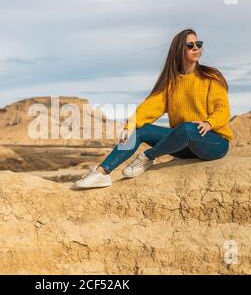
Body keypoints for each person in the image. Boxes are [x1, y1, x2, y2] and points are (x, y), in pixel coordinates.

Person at [74, 28, 233, 188]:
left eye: (198, 44)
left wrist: (209, 123)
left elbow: (223, 110)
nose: (196, 48)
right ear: (179, 50)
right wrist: (129, 127)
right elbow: (148, 108)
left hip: (214, 143)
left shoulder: (211, 77)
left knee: (187, 128)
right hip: (185, 146)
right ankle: (102, 172)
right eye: (190, 45)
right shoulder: (171, 83)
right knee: (141, 129)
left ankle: (147, 157)